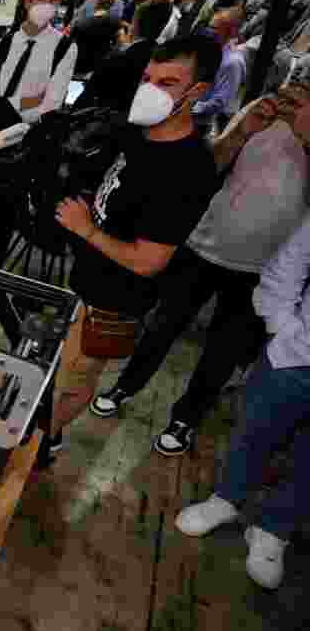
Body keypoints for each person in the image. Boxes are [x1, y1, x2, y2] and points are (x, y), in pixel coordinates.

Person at [91, 83, 310, 457]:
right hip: (203, 244)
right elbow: (209, 168)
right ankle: (125, 385)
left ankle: (186, 418)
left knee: (223, 350)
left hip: (264, 265)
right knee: (162, 324)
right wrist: (243, 130)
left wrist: (305, 136)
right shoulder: (262, 113)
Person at [47, 36, 222, 462]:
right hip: (84, 285)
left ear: (196, 92)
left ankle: (35, 445)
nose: (151, 90)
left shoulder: (187, 169)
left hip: (112, 302)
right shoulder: (137, 134)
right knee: (55, 376)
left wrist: (86, 230)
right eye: (147, 78)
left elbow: (150, 260)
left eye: (167, 82)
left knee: (71, 383)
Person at [175, 151, 310, 590]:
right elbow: (290, 263)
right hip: (297, 352)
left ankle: (273, 531)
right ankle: (226, 499)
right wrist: (282, 325)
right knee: (255, 430)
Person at [0, 0, 78, 124]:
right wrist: (32, 100)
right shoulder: (0, 46)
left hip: (28, 135)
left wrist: (7, 104)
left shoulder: (65, 48)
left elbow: (51, 103)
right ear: (28, 1)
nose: (47, 4)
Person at [75, 0, 172, 112]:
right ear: (163, 26)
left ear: (135, 24)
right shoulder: (162, 61)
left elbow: (84, 101)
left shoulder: (116, 60)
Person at [192, 9, 245, 135]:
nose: (209, 31)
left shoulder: (233, 62)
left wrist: (191, 107)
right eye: (209, 27)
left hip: (197, 122)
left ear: (231, 31)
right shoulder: (212, 48)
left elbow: (221, 101)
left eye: (214, 28)